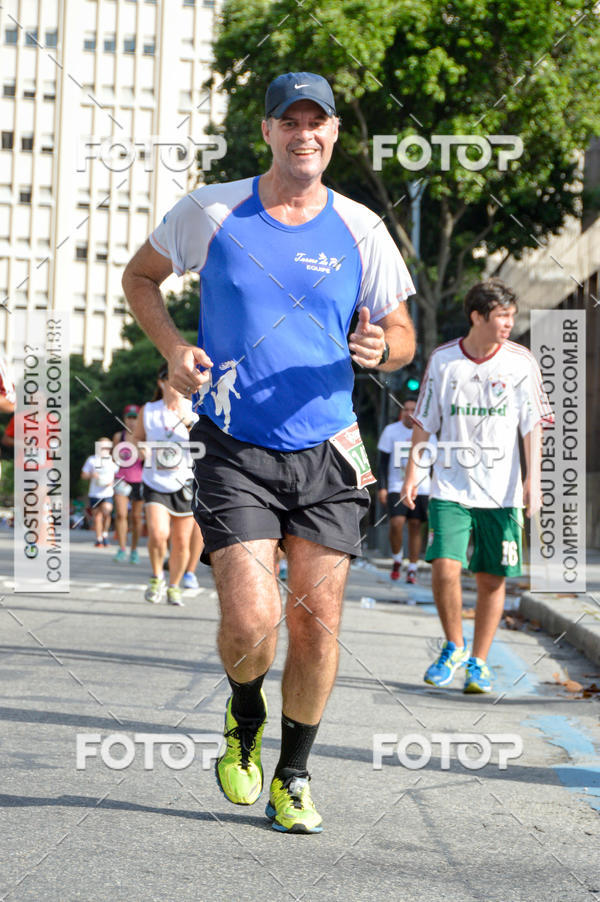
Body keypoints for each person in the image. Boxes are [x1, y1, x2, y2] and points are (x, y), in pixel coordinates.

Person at [122, 71, 415, 833]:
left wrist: (384, 350)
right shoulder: (212, 209)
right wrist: (175, 346)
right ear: (268, 132)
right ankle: (244, 712)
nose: (304, 134)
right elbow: (141, 278)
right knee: (253, 622)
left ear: (335, 134)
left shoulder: (361, 228)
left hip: (327, 451)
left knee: (316, 623)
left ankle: (293, 773)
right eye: (291, 121)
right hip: (235, 445)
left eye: (318, 122)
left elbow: (403, 334)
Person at [402, 278, 553, 694]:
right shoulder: (446, 360)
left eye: (512, 316)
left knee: (491, 579)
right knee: (446, 567)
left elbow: (532, 426)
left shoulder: (521, 361)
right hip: (450, 486)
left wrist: (532, 481)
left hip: (501, 492)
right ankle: (453, 644)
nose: (509, 323)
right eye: (502, 316)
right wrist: (414, 472)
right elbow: (425, 423)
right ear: (477, 316)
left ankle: (480, 663)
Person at [131, 364, 198, 607]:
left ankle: (174, 586)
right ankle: (158, 576)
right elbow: (136, 438)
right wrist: (140, 448)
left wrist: (187, 420)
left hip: (185, 481)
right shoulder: (149, 410)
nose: (176, 385)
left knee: (181, 541)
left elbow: (204, 441)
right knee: (159, 534)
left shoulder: (193, 409)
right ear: (161, 383)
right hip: (154, 480)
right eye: (171, 379)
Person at [377, 397, 434, 584]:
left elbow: (436, 463)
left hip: (423, 487)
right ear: (402, 412)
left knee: (416, 526)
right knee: (397, 523)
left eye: (413, 409)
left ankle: (412, 568)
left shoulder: (429, 433)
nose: (410, 413)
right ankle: (397, 558)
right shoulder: (391, 431)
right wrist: (382, 487)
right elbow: (382, 461)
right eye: (406, 409)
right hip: (397, 486)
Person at [112, 404, 144, 564]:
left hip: (139, 479)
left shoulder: (145, 437)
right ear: (124, 419)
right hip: (121, 478)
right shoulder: (119, 436)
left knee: (136, 517)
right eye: (129, 418)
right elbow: (113, 458)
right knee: (121, 515)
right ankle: (122, 548)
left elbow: (149, 458)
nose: (131, 421)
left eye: (134, 418)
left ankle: (134, 549)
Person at [81, 438, 117, 547]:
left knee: (107, 511)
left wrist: (112, 482)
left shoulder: (112, 461)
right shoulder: (92, 460)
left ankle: (105, 534)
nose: (104, 450)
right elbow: (83, 475)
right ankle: (99, 539)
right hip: (94, 493)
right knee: (97, 516)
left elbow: (119, 475)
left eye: (106, 447)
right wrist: (92, 475)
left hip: (107, 493)